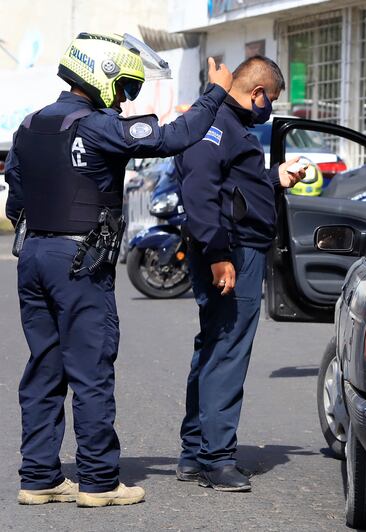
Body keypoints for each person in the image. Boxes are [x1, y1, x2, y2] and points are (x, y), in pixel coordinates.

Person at [5, 32, 233, 507]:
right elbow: (175, 137)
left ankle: (39, 476)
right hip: (79, 261)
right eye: (125, 88)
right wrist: (214, 93)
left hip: (32, 258)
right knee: (90, 371)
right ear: (101, 76)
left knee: (44, 370)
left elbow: (17, 203)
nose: (126, 100)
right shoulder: (94, 126)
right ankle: (99, 482)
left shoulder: (28, 126)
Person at [174, 55, 304, 492]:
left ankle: (196, 453)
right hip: (230, 252)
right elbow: (199, 191)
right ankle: (215, 459)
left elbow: (234, 186)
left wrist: (274, 178)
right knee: (227, 351)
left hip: (229, 249)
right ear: (258, 93)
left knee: (213, 348)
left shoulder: (228, 125)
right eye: (272, 99)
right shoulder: (215, 124)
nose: (270, 107)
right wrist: (218, 255)